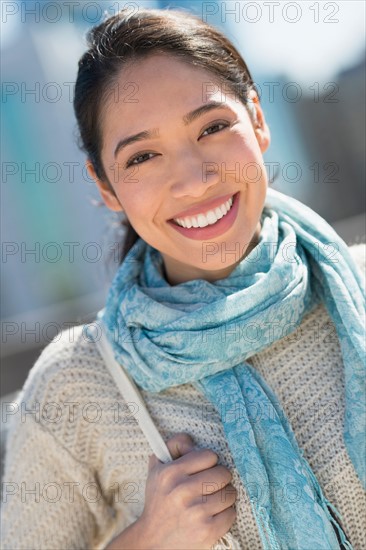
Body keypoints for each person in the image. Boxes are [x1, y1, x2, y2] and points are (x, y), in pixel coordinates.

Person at [1, 7, 365, 550]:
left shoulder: (358, 287)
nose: (194, 181)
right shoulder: (73, 386)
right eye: (144, 156)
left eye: (213, 127)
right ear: (106, 188)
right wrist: (148, 540)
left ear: (258, 122)